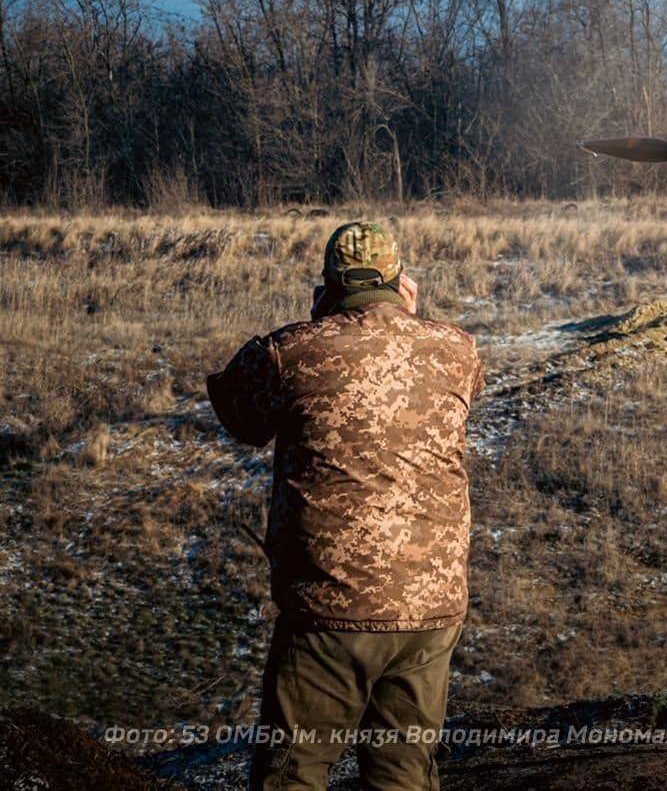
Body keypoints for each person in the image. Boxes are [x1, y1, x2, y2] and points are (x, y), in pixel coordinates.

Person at [207, 222, 485, 790]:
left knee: (293, 774)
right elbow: (458, 397)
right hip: (430, 611)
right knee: (404, 775)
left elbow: (238, 415)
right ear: (400, 280)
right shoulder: (457, 349)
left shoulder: (292, 352)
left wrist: (317, 326)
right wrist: (409, 322)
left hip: (330, 610)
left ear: (329, 286)